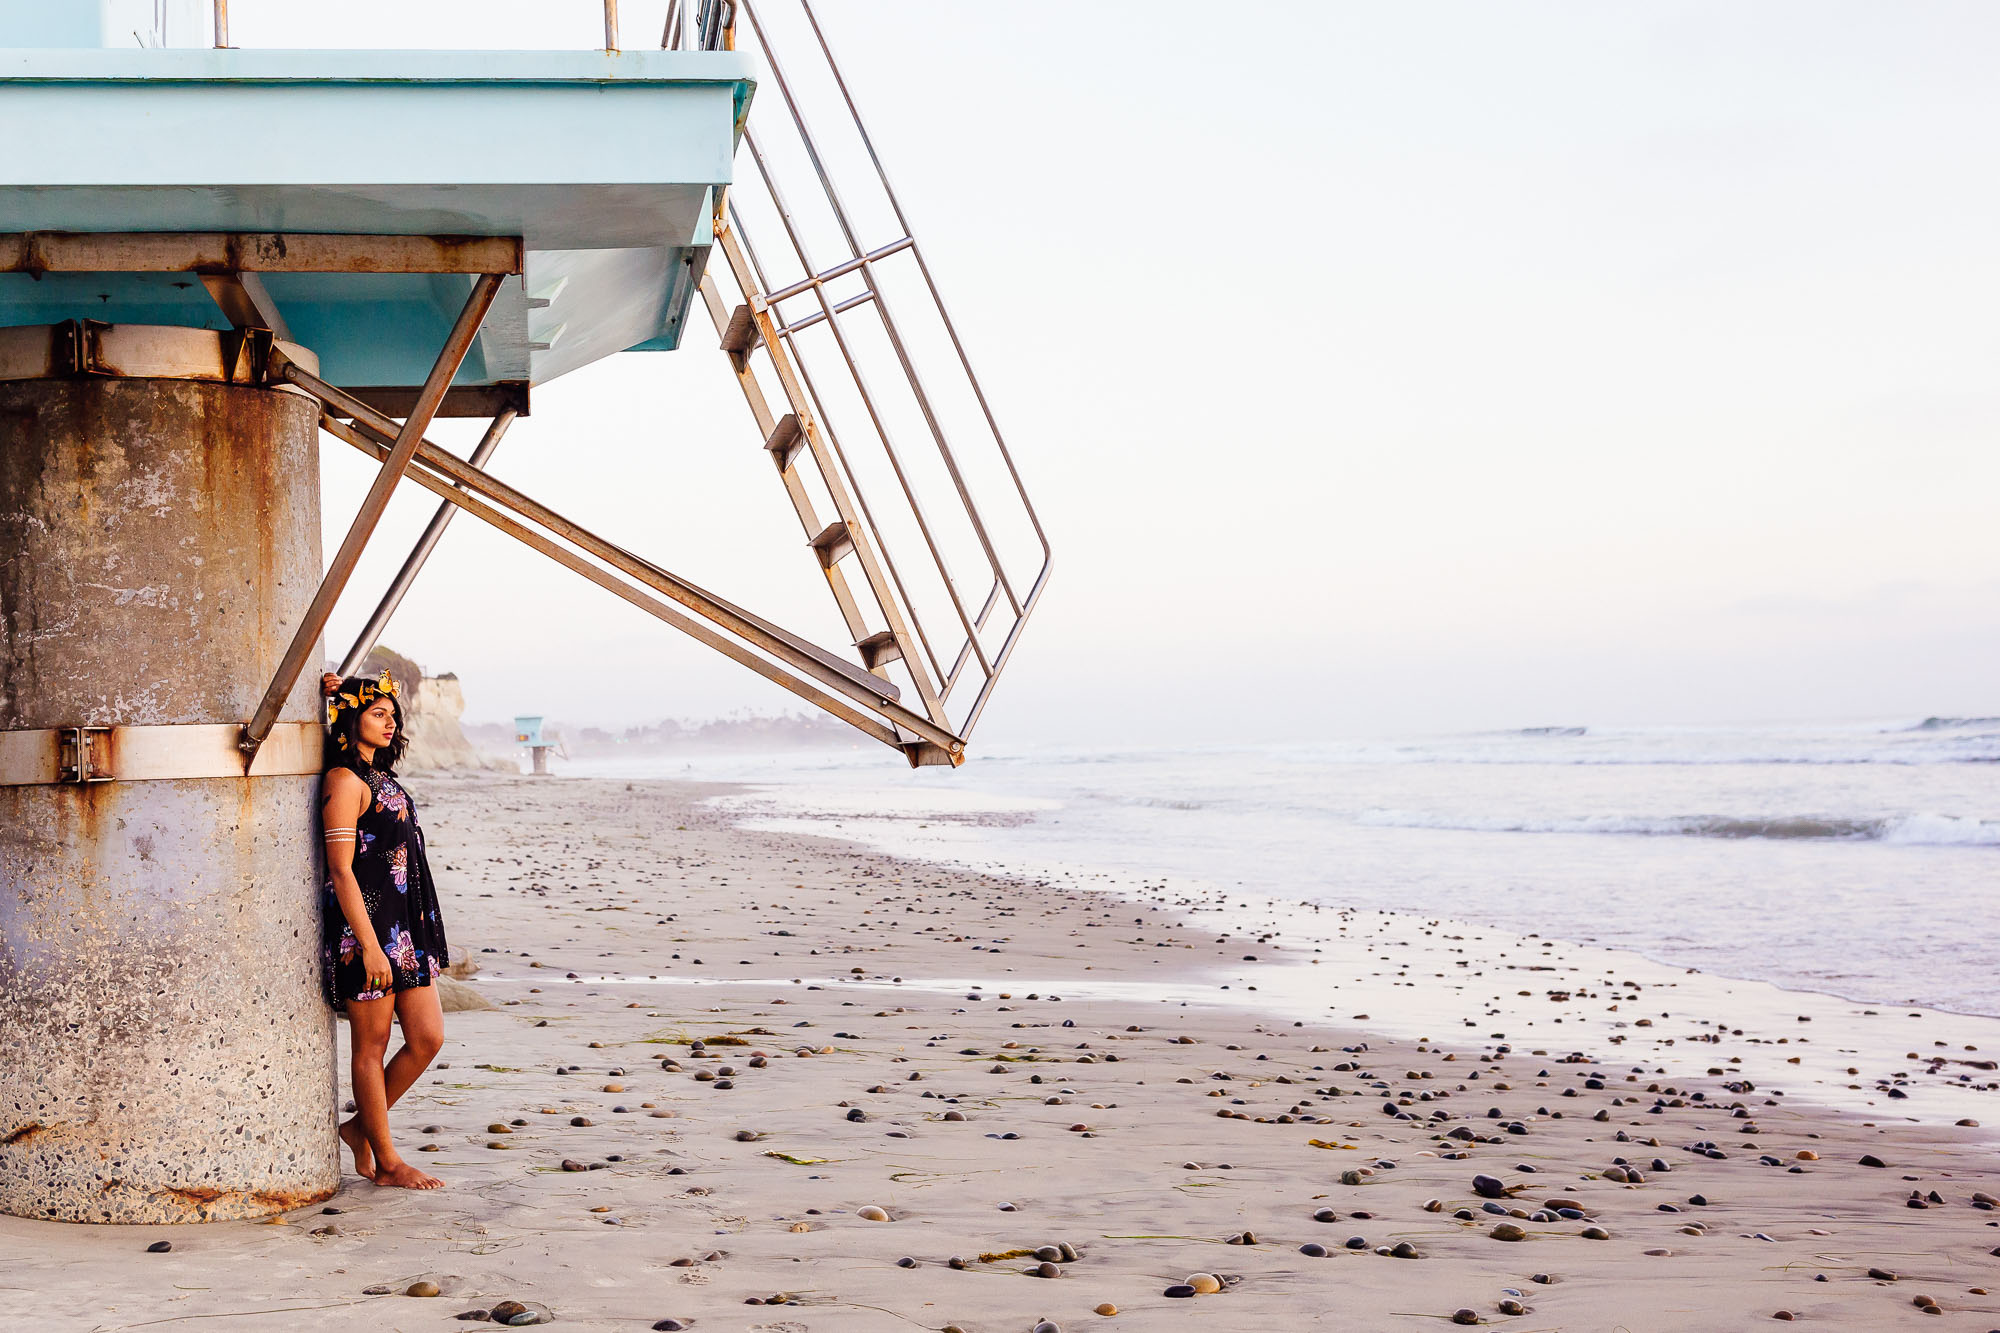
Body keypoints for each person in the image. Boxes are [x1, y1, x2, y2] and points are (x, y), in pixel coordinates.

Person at [319, 669, 451, 1190]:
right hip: (366, 934)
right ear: (349, 722)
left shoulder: (380, 777)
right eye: (377, 713)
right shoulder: (343, 780)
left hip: (405, 932)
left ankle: (358, 1129)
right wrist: (370, 947)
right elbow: (340, 868)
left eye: (392, 714)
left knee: (427, 1037)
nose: (390, 721)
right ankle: (389, 1161)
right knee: (369, 1046)